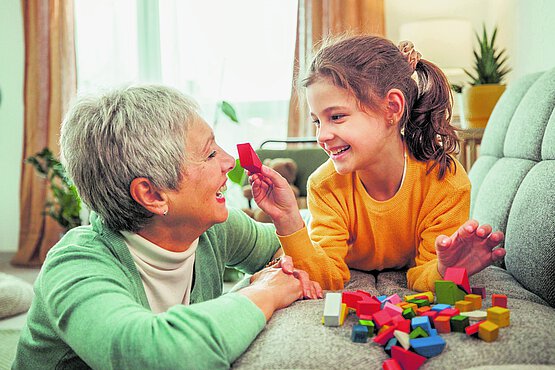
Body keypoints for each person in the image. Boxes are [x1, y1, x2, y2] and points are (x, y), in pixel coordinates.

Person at [12, 85, 322, 369]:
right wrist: (263, 292)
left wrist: (288, 220)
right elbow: (153, 354)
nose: (230, 161)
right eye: (211, 153)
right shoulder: (74, 266)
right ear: (153, 195)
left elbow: (298, 256)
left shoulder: (209, 228)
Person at [249, 35, 506, 292]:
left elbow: (423, 275)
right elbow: (327, 275)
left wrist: (445, 269)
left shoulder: (444, 181)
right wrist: (289, 220)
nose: (322, 136)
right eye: (317, 121)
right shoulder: (324, 186)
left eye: (336, 117)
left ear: (392, 108)